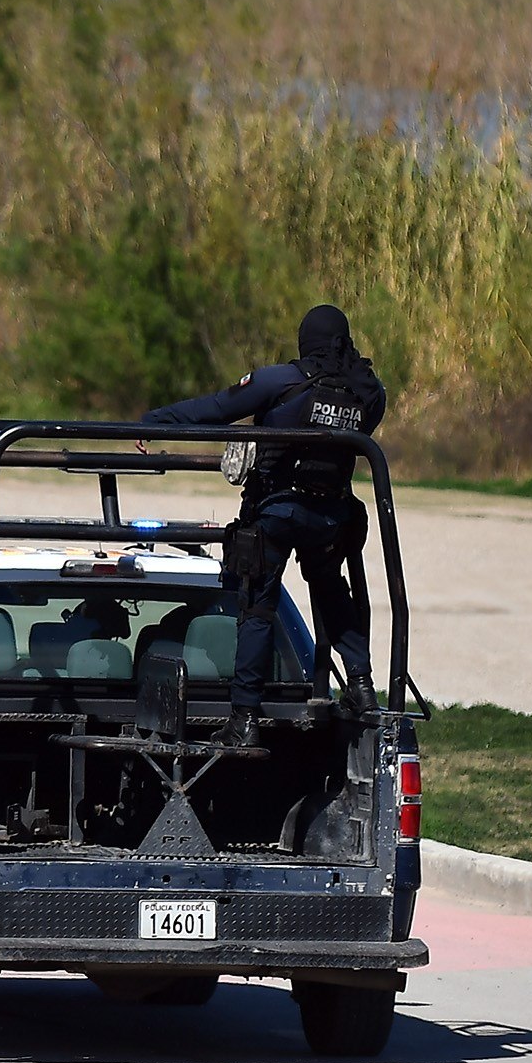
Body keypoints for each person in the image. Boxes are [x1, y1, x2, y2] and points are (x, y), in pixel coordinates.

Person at [142, 304, 387, 747]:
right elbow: (368, 408)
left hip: (277, 512)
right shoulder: (366, 392)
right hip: (330, 518)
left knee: (257, 608)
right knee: (333, 593)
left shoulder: (283, 380)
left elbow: (216, 409)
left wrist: (155, 421)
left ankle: (245, 717)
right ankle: (363, 687)